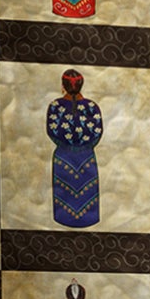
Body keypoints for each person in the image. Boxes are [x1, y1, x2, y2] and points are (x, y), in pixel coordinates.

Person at [46, 68, 103, 227]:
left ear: (62, 86)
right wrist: (84, 147)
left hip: (63, 157)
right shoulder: (92, 106)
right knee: (87, 194)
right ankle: (88, 220)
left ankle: (63, 219)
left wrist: (66, 146)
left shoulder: (55, 106)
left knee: (64, 193)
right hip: (87, 157)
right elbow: (97, 133)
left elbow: (52, 132)